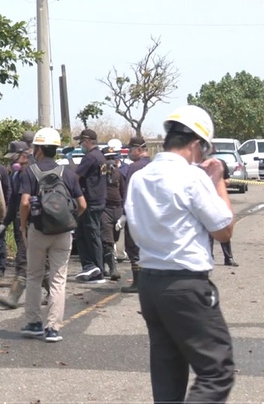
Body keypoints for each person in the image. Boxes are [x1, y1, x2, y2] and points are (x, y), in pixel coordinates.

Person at [125, 105, 236, 403]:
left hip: (150, 283)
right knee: (216, 371)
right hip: (185, 284)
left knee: (168, 375)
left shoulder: (139, 177)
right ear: (196, 144)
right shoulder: (192, 177)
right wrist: (218, 180)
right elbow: (224, 229)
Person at [19, 128, 86, 343]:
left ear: (37, 149)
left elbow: (25, 203)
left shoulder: (30, 172)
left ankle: (34, 322)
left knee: (34, 276)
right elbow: (82, 204)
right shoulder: (67, 172)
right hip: (63, 232)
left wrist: (23, 226)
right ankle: (53, 328)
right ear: (56, 149)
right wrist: (69, 219)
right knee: (58, 278)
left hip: (38, 230)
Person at [0, 140, 31, 309]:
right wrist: (5, 223)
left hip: (31, 224)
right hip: (20, 223)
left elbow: (25, 203)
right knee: (30, 261)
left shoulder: (30, 174)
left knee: (24, 260)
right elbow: (14, 203)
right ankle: (52, 293)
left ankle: (13, 297)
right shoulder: (16, 175)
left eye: (15, 158)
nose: (12, 162)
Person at [73, 128, 108, 284]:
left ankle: (96, 270)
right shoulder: (101, 156)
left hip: (89, 203)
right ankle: (90, 267)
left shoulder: (90, 158)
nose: (80, 145)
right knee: (84, 235)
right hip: (99, 200)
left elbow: (75, 178)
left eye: (81, 142)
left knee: (91, 236)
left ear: (87, 141)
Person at [117, 135, 152, 293]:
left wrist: (124, 214)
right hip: (151, 215)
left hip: (136, 215)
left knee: (133, 248)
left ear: (139, 149)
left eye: (130, 149)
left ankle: (138, 283)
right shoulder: (153, 165)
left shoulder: (135, 167)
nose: (129, 153)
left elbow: (128, 193)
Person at [209, 150, 237, 267]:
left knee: (223, 226)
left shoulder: (220, 164)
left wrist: (219, 181)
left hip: (219, 199)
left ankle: (228, 258)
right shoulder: (196, 167)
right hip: (206, 200)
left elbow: (228, 181)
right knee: (208, 232)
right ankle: (209, 257)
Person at [101, 146, 125, 281]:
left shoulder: (119, 174)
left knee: (114, 238)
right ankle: (112, 269)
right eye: (108, 158)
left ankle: (107, 263)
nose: (110, 161)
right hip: (105, 209)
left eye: (112, 158)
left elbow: (123, 190)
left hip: (117, 209)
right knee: (107, 240)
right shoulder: (99, 174)